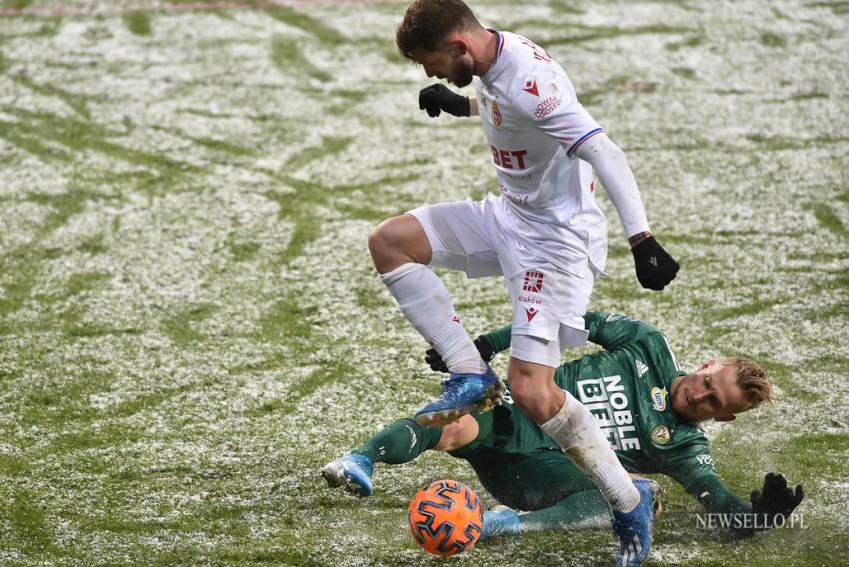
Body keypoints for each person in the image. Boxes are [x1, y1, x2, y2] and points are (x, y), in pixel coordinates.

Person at [367, 1, 678, 564]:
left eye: (431, 63)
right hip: (509, 217)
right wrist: (461, 106)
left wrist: (642, 240)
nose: (429, 73)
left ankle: (628, 502)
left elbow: (602, 149)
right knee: (391, 242)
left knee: (533, 390)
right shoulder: (490, 60)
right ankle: (467, 372)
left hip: (556, 244)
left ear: (459, 46)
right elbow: (508, 114)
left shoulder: (532, 81)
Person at [323, 312, 804, 547]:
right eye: (706, 382)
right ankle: (361, 459)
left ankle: (496, 524)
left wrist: (755, 517)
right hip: (516, 415)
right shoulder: (647, 344)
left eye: (713, 402)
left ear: (724, 418)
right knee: (455, 421)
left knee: (639, 495)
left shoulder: (683, 446)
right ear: (706, 364)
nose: (699, 395)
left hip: (543, 479)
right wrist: (489, 342)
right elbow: (562, 323)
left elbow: (715, 500)